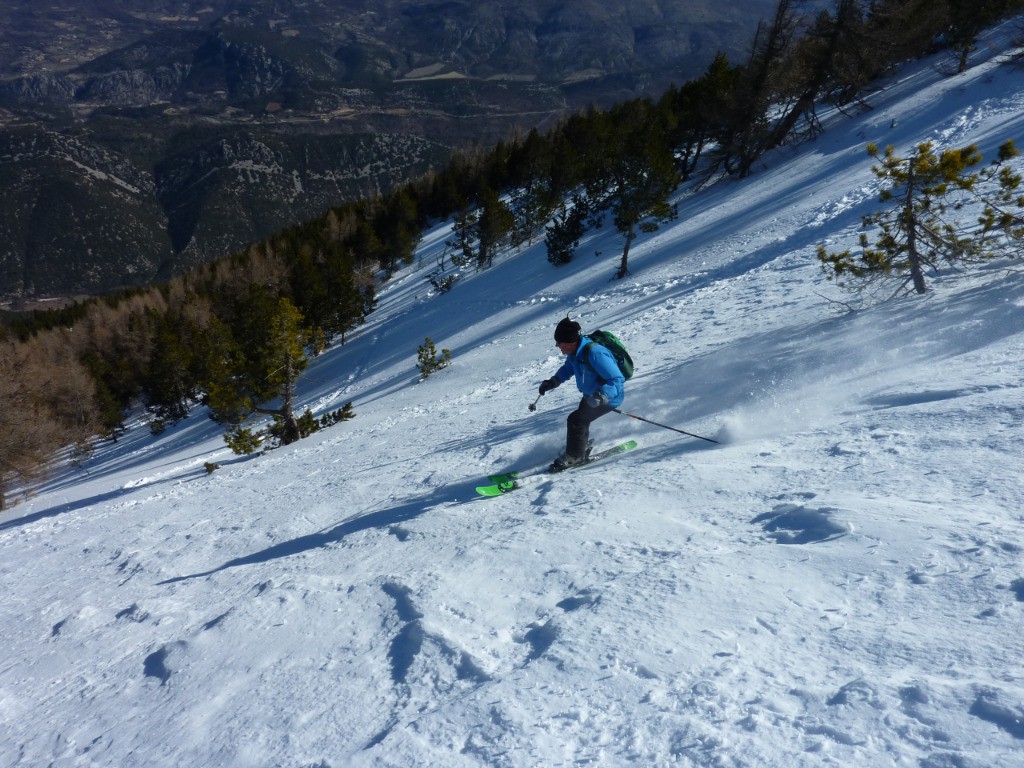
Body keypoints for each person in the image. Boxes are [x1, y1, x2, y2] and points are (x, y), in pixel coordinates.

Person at [538, 317, 625, 471]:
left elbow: (617, 379)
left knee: (576, 420)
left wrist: (602, 396)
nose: (557, 345)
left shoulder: (595, 354)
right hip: (590, 396)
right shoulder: (576, 353)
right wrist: (553, 382)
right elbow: (568, 369)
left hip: (607, 398)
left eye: (559, 342)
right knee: (580, 420)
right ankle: (579, 447)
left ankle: (575, 456)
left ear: (570, 342)